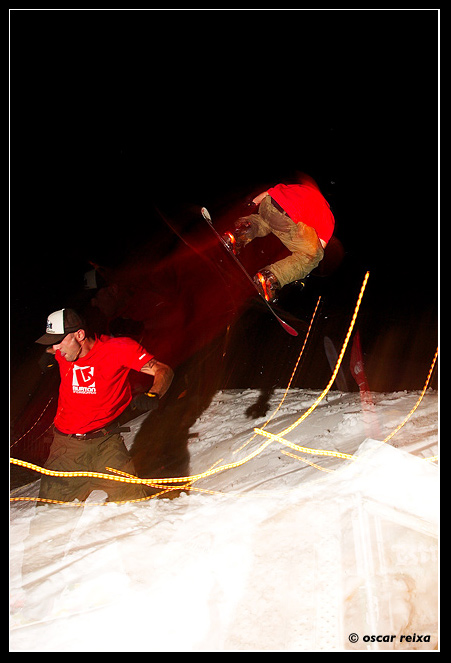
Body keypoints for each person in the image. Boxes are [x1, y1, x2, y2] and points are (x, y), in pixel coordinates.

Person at [35, 307, 174, 503]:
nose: (57, 348)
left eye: (59, 341)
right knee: (51, 514)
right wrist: (48, 352)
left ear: (80, 335)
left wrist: (154, 393)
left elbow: (163, 370)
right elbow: (54, 349)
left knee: (132, 505)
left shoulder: (118, 349)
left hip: (107, 444)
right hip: (66, 449)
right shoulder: (64, 352)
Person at [222, 172, 335, 302]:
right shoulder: (328, 215)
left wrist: (251, 204)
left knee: (263, 222)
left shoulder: (300, 188)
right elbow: (318, 247)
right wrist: (303, 270)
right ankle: (270, 278)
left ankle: (236, 235)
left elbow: (267, 193)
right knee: (313, 256)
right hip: (288, 219)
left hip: (269, 204)